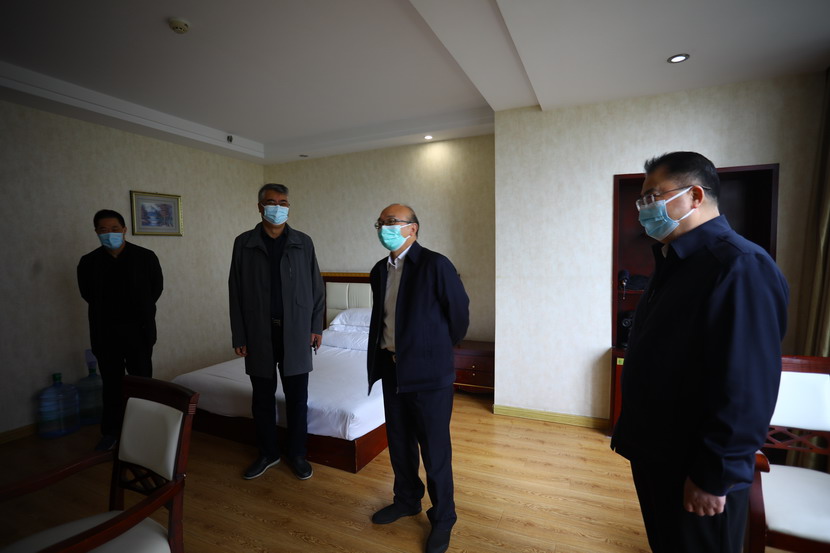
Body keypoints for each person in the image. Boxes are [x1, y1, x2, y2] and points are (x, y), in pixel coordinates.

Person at [611, 152, 789, 553]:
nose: (644, 209)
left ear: (695, 195)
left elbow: (747, 388)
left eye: (654, 196)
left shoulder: (739, 266)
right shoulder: (674, 261)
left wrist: (714, 475)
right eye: (641, 200)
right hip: (658, 453)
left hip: (696, 465)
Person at [367, 204, 469, 553]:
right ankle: (407, 499)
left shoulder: (435, 264)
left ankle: (443, 517)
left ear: (413, 228)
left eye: (391, 222)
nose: (384, 228)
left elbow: (459, 316)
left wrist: (433, 349)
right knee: (399, 442)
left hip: (429, 375)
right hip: (392, 369)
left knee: (435, 449)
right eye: (381, 223)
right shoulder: (379, 270)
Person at [229, 183, 324, 481]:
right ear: (260, 207)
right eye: (271, 202)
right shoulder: (244, 243)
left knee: (297, 398)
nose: (278, 207)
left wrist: (315, 327)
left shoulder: (303, 242)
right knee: (262, 398)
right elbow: (235, 290)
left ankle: (297, 454)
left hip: (296, 333)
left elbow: (316, 287)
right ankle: (268, 453)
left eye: (283, 202)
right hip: (259, 333)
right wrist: (239, 335)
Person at [77, 209, 163, 451]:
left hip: (139, 331)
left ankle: (145, 430)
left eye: (115, 229)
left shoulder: (145, 257)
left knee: (142, 381)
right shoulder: (89, 262)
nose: (109, 234)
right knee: (111, 384)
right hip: (105, 333)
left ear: (124, 229)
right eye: (103, 230)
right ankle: (111, 432)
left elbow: (156, 289)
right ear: (96, 232)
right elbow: (87, 294)